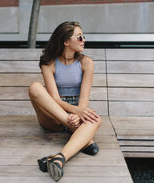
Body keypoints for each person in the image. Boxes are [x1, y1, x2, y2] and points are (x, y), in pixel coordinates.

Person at [28, 21, 102, 181]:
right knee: (35, 87)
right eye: (80, 37)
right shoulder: (49, 63)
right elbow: (54, 99)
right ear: (66, 41)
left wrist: (79, 112)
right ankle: (83, 137)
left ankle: (59, 158)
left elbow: (83, 100)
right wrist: (73, 115)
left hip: (76, 113)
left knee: (96, 120)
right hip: (53, 114)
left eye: (84, 37)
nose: (84, 40)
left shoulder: (86, 63)